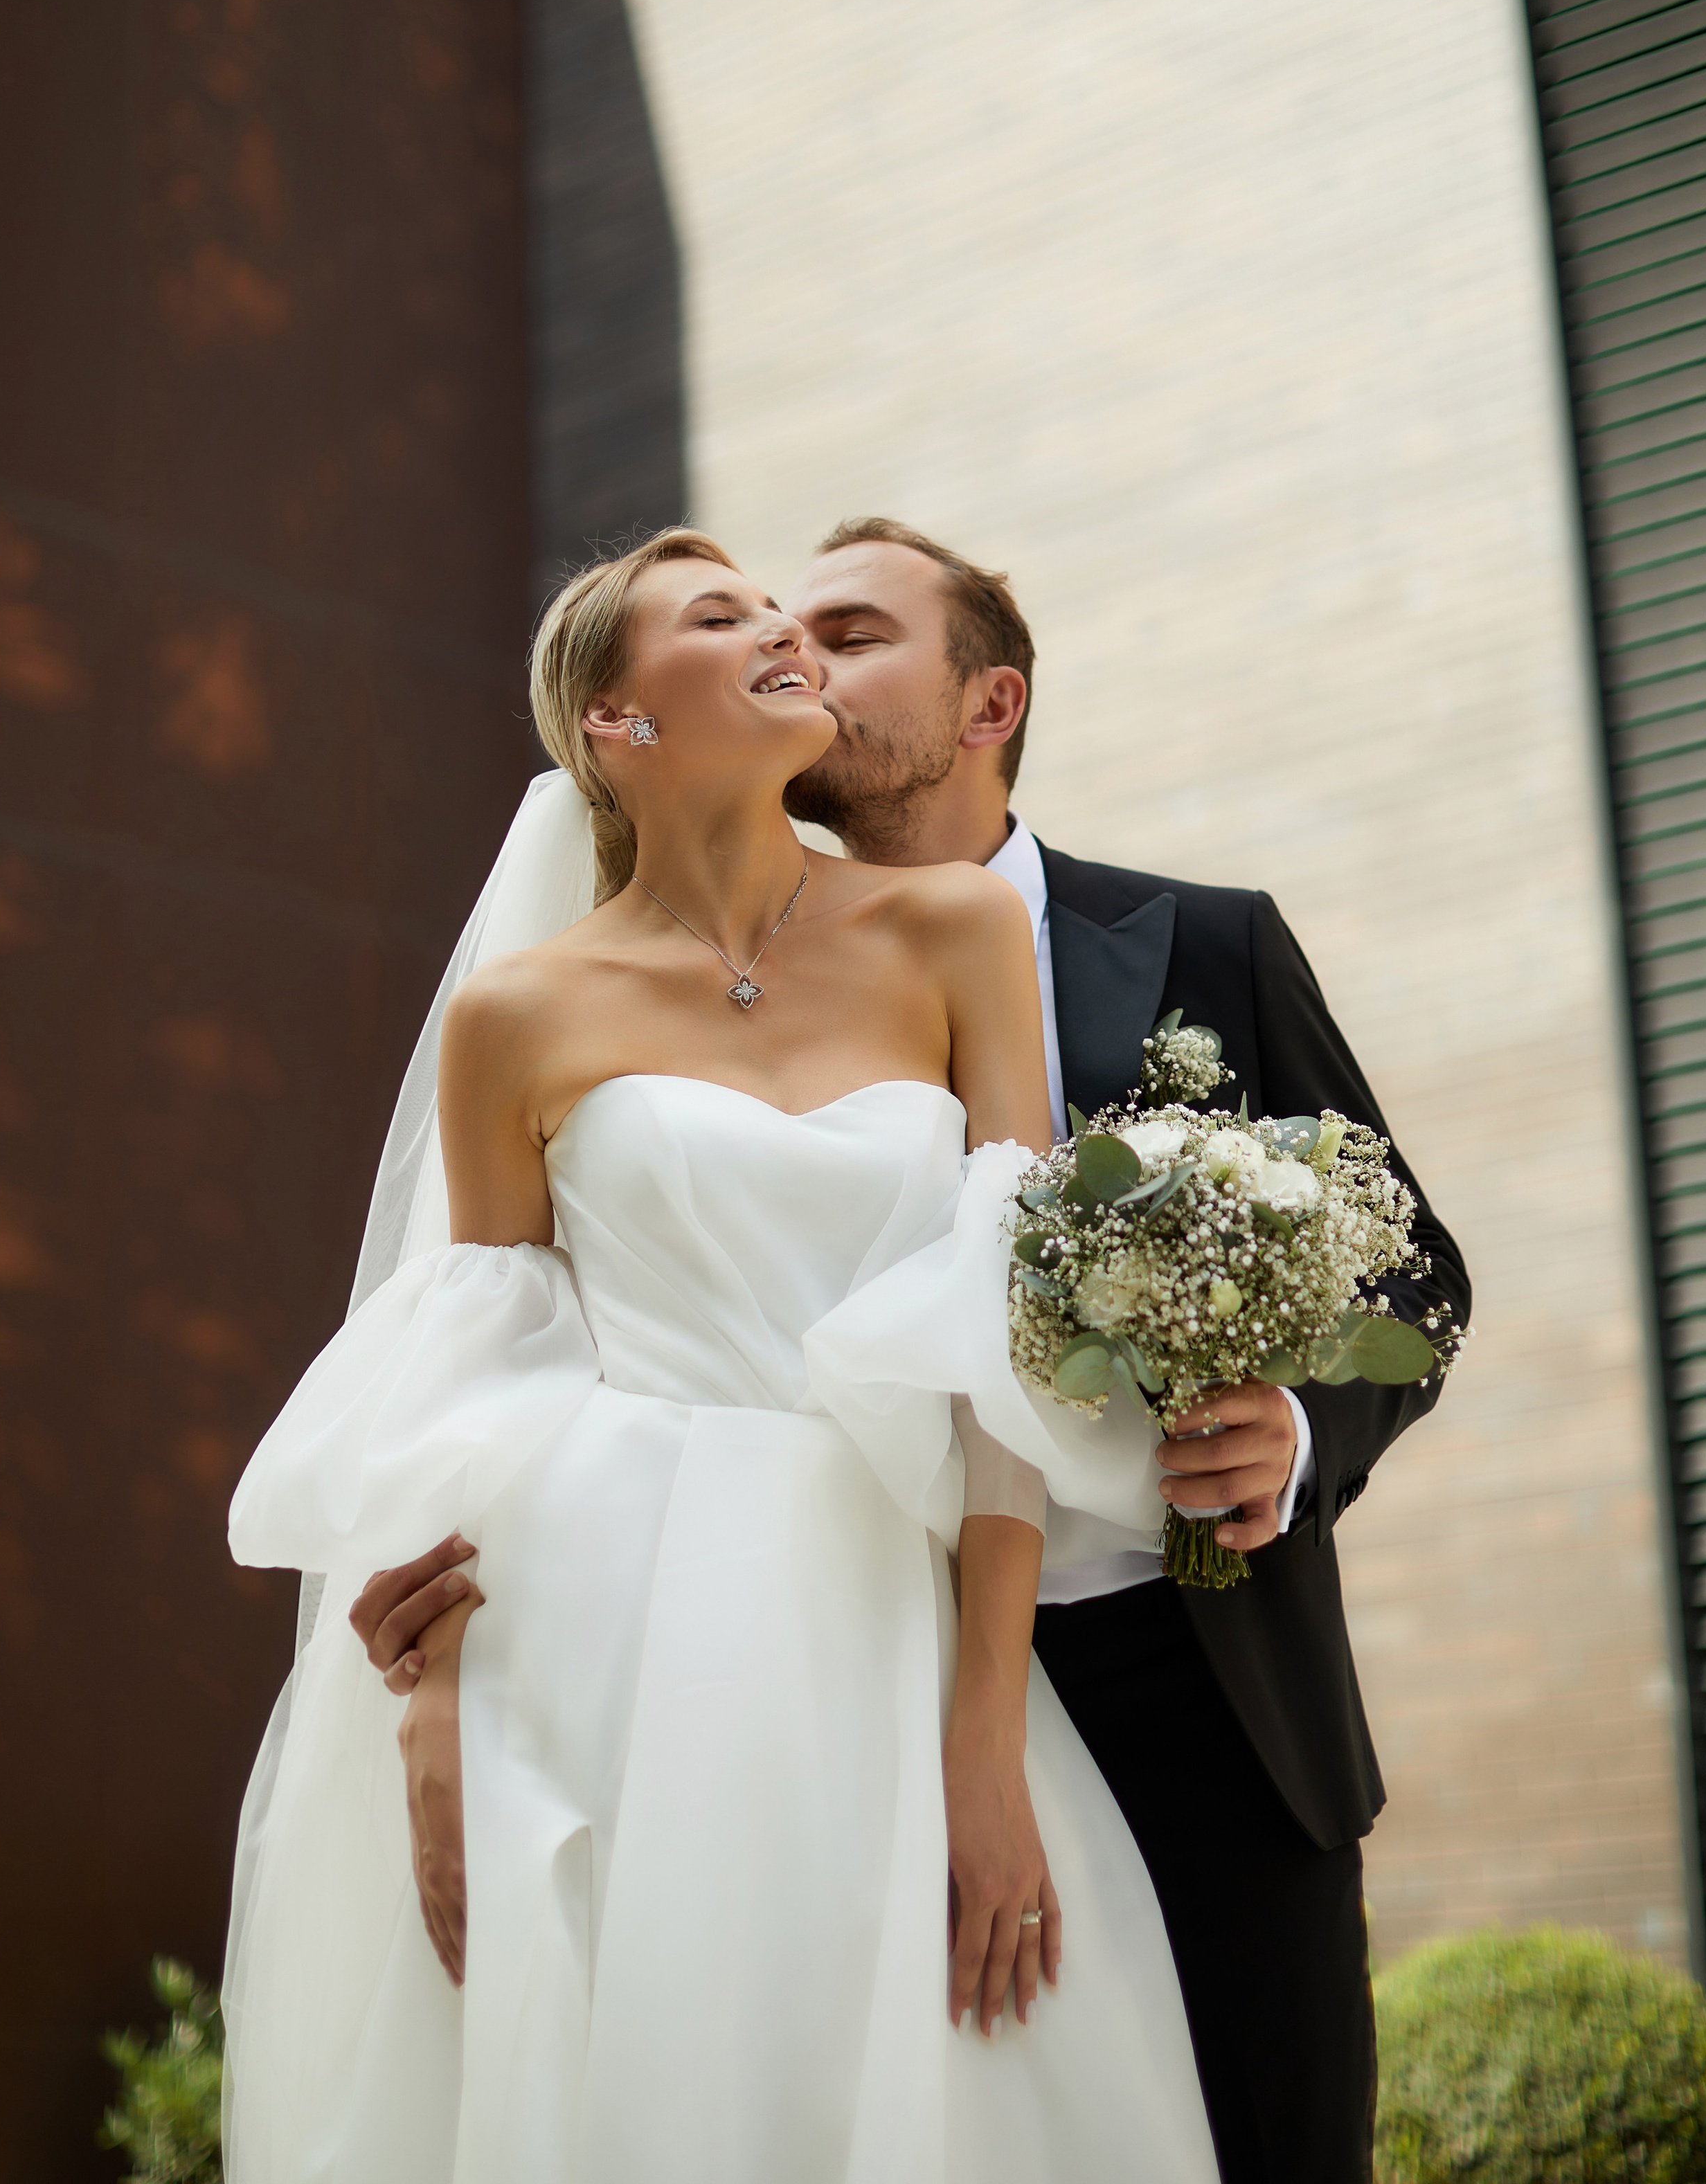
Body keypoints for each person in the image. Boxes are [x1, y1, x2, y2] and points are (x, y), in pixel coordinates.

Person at [355, 518, 1473, 2184]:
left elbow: (1413, 1272)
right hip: (830, 1652)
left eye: (850, 631)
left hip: (1192, 1672)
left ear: (985, 700)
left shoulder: (1196, 941)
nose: (798, 647)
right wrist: (432, 1627)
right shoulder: (589, 1000)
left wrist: (1294, 1431)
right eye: (761, 622)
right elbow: (510, 1343)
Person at [222, 527, 1220, 2183]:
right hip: (589, 1629)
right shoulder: (516, 1016)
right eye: (722, 615)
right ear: (616, 722)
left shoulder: (955, 932)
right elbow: (477, 1369)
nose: (782, 632)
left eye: (785, 612)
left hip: (882, 1628)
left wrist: (981, 1733)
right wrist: (436, 1703)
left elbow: (1007, 1355)